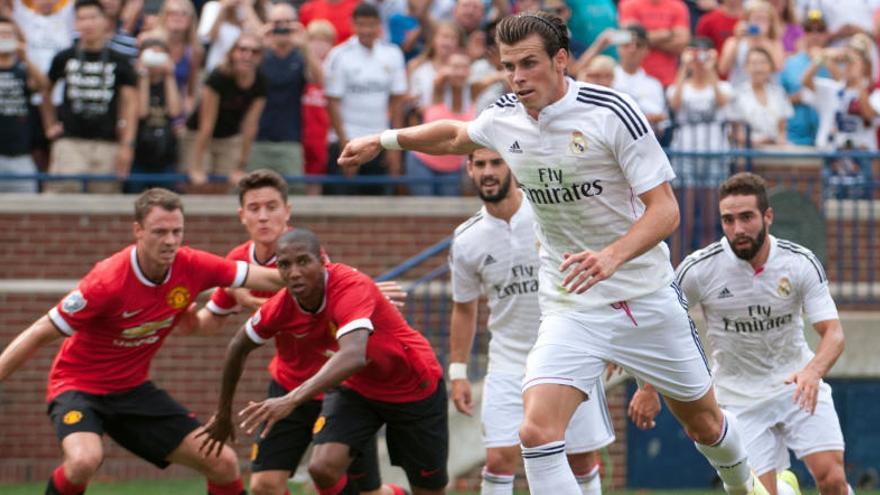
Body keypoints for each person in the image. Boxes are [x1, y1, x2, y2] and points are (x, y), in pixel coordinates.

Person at [337, 11, 768, 495]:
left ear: (561, 60)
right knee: (536, 433)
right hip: (572, 304)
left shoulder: (611, 112)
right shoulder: (503, 116)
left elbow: (666, 212)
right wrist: (384, 139)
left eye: (528, 64)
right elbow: (457, 135)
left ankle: (746, 486)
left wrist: (611, 256)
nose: (517, 78)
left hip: (646, 298)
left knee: (705, 426)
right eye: (508, 66)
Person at [0, 187, 285, 495]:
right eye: (160, 232)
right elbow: (39, 332)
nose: (171, 240)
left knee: (223, 462)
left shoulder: (192, 265)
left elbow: (267, 278)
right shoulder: (107, 281)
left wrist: (326, 276)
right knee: (84, 461)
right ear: (138, 231)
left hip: (132, 391)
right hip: (78, 387)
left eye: (177, 231)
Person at [629, 172, 852, 495]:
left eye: (746, 217)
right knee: (758, 492)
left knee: (832, 480)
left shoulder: (800, 262)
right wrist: (648, 387)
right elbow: (663, 324)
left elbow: (833, 333)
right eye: (728, 220)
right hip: (738, 398)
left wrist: (812, 373)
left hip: (797, 388)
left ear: (768, 217)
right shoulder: (699, 269)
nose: (738, 229)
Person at [193, 169, 404, 495]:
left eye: (272, 207)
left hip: (337, 387)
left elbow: (329, 292)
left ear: (287, 211)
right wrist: (176, 312)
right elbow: (209, 322)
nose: (263, 217)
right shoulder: (237, 263)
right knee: (264, 485)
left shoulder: (305, 252)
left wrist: (369, 292)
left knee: (359, 490)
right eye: (254, 208)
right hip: (287, 383)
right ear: (242, 216)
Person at [199, 228, 449, 495]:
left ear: (322, 261)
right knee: (322, 467)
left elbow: (354, 355)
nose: (294, 272)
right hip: (358, 389)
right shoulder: (282, 305)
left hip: (413, 386)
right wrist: (223, 413)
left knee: (428, 490)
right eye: (285, 265)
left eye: (303, 261)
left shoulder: (351, 286)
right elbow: (238, 346)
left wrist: (290, 400)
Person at [448, 148, 614, 494]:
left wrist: (607, 337)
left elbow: (597, 269)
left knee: (581, 458)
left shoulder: (550, 213)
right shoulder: (466, 239)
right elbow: (464, 308)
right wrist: (458, 372)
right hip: (508, 360)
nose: (488, 172)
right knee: (498, 459)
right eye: (480, 164)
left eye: (496, 162)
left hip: (568, 349)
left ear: (513, 165)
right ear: (469, 169)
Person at [42, 0, 138, 193]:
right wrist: (49, 123)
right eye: (82, 19)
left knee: (105, 204)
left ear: (105, 21)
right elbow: (45, 90)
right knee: (62, 199)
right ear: (75, 24)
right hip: (70, 142)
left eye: (93, 17)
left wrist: (127, 145)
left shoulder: (120, 61)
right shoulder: (63, 57)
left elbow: (131, 106)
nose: (88, 24)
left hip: (107, 143)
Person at [323, 2, 406, 195]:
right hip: (346, 140)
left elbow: (397, 103)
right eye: (361, 24)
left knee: (379, 208)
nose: (366, 30)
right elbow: (332, 103)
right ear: (353, 25)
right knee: (342, 205)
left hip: (380, 141)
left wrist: (395, 149)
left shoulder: (393, 54)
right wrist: (347, 147)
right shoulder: (339, 55)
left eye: (371, 25)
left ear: (379, 25)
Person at [184, 31, 266, 193]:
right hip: (199, 135)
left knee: (223, 189)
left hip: (229, 137)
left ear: (260, 57)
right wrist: (197, 166)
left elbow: (250, 126)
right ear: (233, 53)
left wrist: (240, 165)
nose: (247, 56)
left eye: (254, 52)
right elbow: (206, 124)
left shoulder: (261, 81)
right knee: (198, 187)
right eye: (242, 50)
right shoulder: (218, 77)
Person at [249, 3, 320, 186]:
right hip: (258, 138)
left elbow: (320, 81)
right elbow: (242, 79)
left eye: (287, 22)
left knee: (294, 192)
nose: (282, 27)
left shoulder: (300, 56)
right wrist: (259, 42)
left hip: (290, 139)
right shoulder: (260, 55)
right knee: (254, 191)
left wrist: (305, 45)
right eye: (277, 22)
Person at [0, 16, 49, 193]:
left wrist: (25, 57)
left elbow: (44, 85)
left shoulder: (23, 70)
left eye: (8, 34)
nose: (4, 38)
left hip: (20, 156)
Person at [127, 36, 181, 193]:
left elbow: (174, 111)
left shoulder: (171, 83)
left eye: (160, 55)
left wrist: (170, 75)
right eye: (150, 55)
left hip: (165, 153)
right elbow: (142, 112)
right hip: (139, 153)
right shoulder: (133, 82)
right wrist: (143, 75)